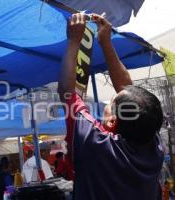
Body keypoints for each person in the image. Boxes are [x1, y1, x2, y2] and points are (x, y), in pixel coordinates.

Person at [58, 13, 164, 200]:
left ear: (112, 121)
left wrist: (73, 41)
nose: (110, 100)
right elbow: (127, 90)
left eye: (112, 101)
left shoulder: (94, 144)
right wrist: (105, 42)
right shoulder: (153, 146)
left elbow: (67, 92)